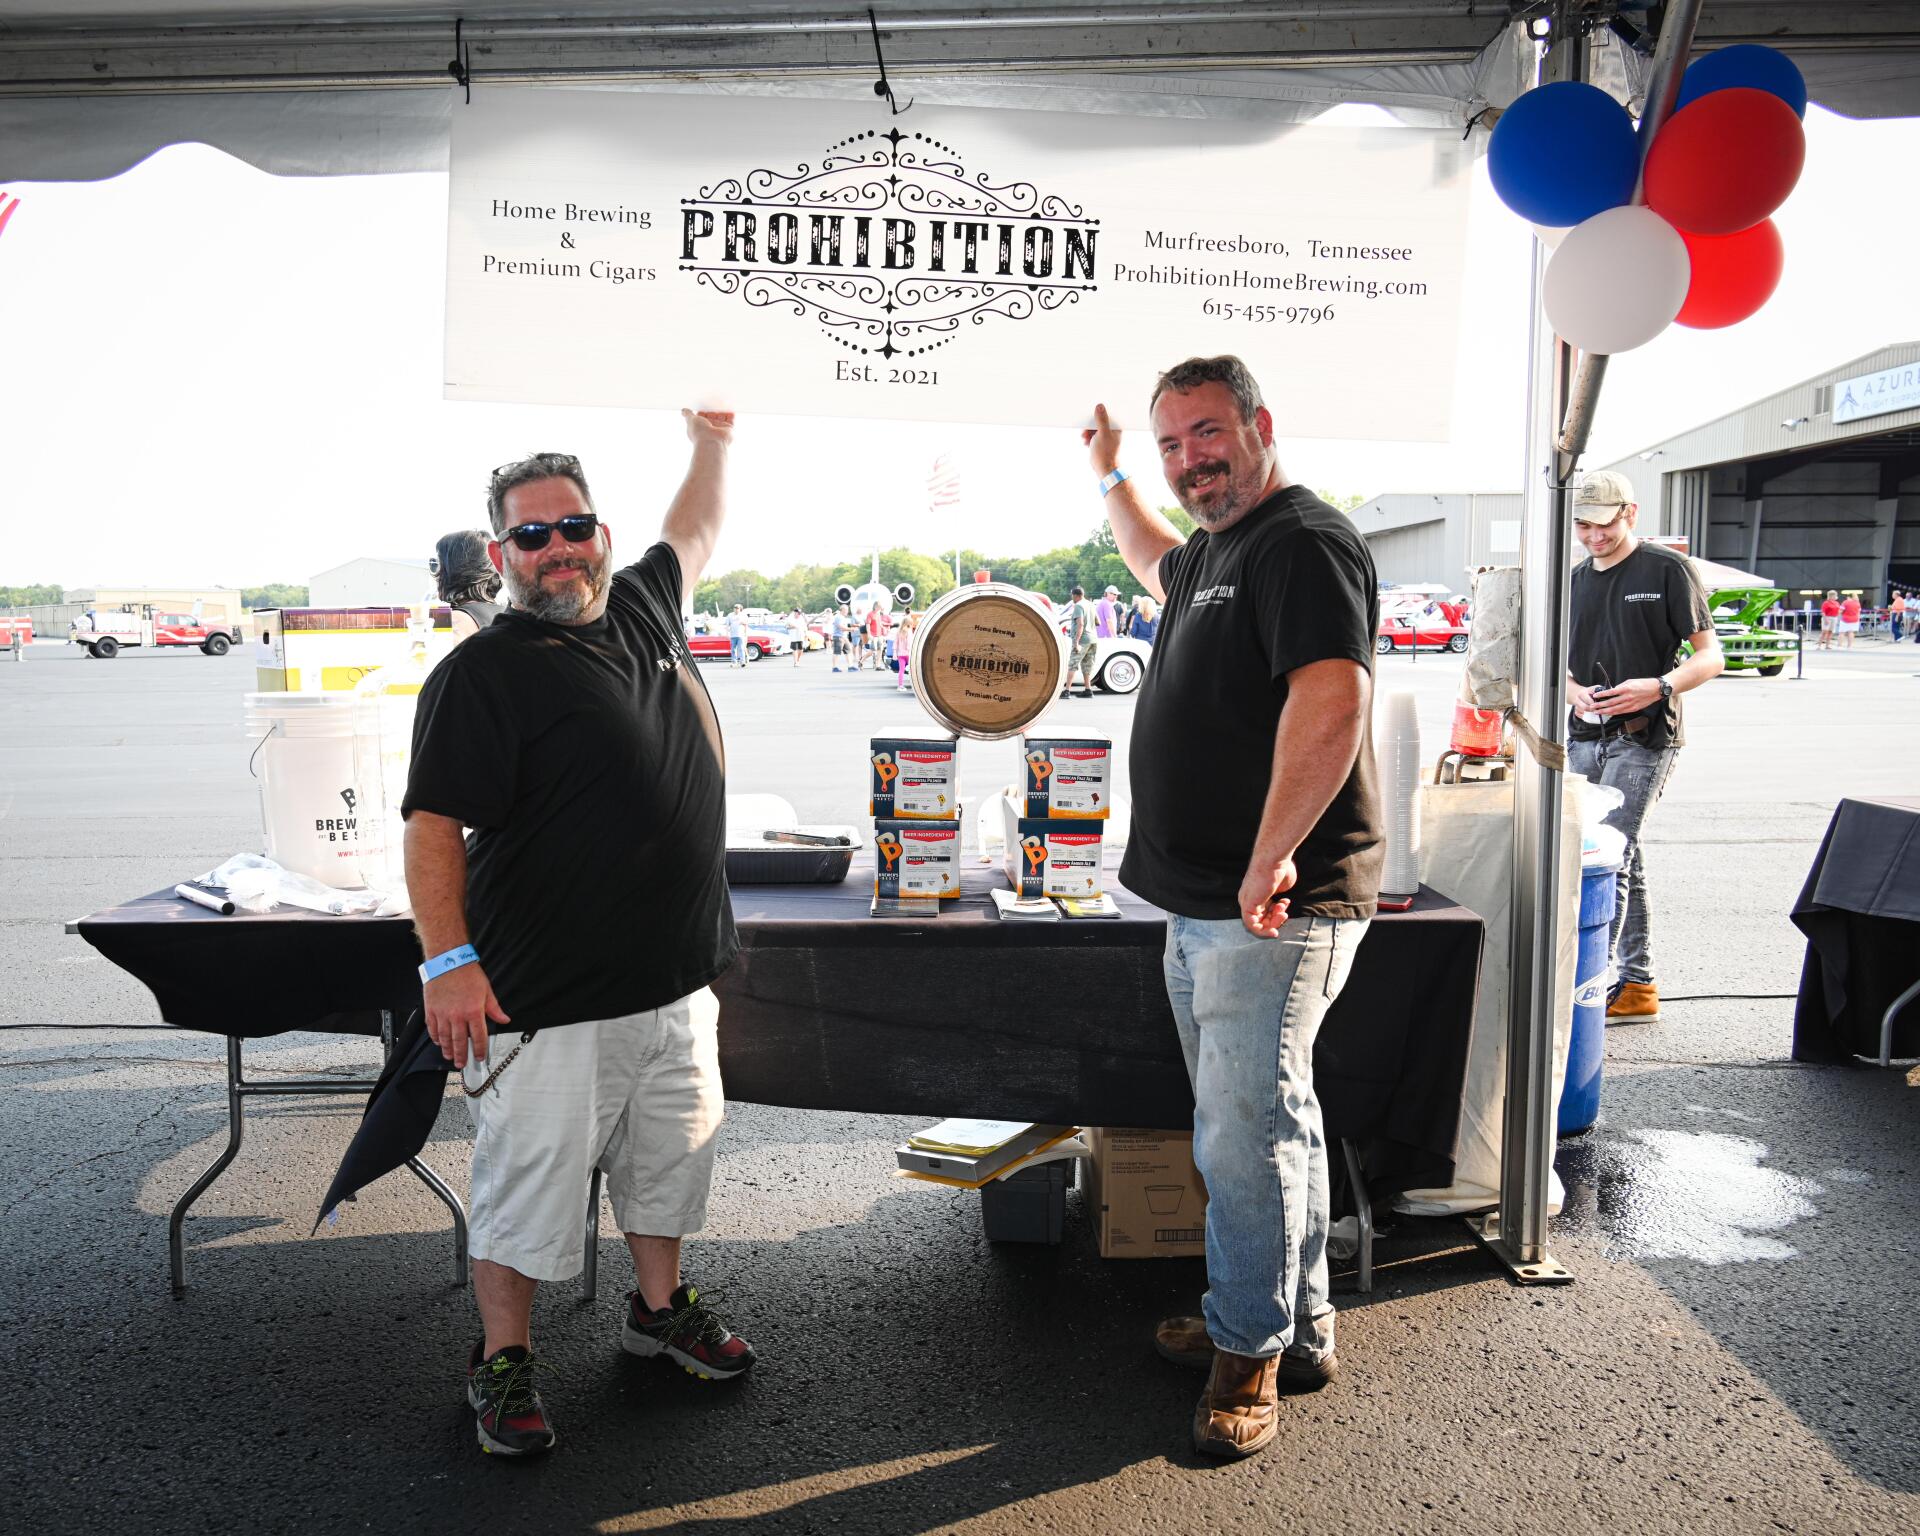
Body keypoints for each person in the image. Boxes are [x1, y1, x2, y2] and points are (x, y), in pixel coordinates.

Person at [402, 417, 756, 1460]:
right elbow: (430, 832)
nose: (557, 548)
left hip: (675, 982)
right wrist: (449, 960)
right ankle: (502, 1359)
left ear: (601, 531)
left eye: (574, 525)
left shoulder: (645, 606)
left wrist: (713, 441)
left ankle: (658, 1311)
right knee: (526, 1193)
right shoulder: (483, 674)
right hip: (547, 1000)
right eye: (531, 536)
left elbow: (695, 527)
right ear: (501, 555)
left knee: (667, 1168)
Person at [1082, 355, 1382, 1461]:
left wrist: (1270, 855)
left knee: (1241, 1134)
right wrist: (1111, 476)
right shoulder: (1219, 547)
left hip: (1265, 905)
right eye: (1172, 444)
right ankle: (1294, 1327)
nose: (1191, 461)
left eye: (1207, 434)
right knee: (1269, 1116)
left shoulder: (1302, 539)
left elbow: (1333, 693)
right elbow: (1159, 561)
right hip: (1204, 898)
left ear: (1260, 423)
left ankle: (1247, 1353)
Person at [1565, 469, 1722, 1028]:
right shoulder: (1575, 578)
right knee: (1617, 852)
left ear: (1630, 513)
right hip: (1584, 735)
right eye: (1583, 525)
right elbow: (1554, 661)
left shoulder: (1667, 569)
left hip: (1645, 738)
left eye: (1603, 524)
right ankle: (1636, 984)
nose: (1593, 536)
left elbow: (1711, 656)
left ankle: (1588, 984)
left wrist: (1658, 687)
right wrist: (1571, 689)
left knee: (1608, 853)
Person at [435, 530, 505, 643]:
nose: (436, 575)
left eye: (438, 565)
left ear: (452, 570)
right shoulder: (505, 614)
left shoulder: (455, 621)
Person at [1063, 585, 1096, 698]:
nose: (1072, 597)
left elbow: (1080, 624)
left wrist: (1076, 642)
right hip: (1093, 639)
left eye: (1072, 595)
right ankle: (1088, 690)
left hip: (1082, 639)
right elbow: (1098, 622)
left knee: (1073, 664)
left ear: (1075, 595)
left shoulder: (1078, 605)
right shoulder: (1091, 604)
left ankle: (1067, 691)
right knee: (1087, 666)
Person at [894, 610, 917, 691]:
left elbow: (895, 643)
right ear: (909, 624)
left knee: (901, 670)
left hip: (900, 654)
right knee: (913, 670)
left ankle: (900, 686)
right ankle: (915, 686)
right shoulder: (909, 631)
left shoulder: (898, 631)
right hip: (908, 654)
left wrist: (894, 653)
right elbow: (909, 644)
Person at [726, 603, 748, 667]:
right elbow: (727, 625)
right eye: (735, 608)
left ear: (740, 609)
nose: (736, 609)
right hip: (733, 635)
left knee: (741, 648)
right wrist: (727, 633)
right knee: (733, 649)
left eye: (737, 608)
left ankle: (742, 662)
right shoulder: (730, 615)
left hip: (740, 635)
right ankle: (734, 662)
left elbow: (746, 624)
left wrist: (745, 633)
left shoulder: (743, 615)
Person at [830, 603, 851, 671]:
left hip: (843, 637)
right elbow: (840, 627)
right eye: (846, 610)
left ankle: (850, 666)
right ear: (842, 610)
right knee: (837, 652)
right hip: (838, 637)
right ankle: (834, 667)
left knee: (848, 651)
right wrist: (851, 629)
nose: (847, 611)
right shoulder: (838, 617)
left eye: (847, 610)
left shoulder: (842, 617)